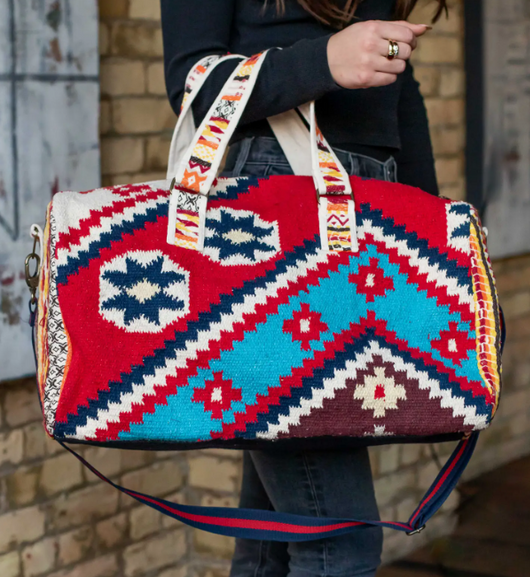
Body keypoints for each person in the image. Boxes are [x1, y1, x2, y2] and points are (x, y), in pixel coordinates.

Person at [160, 1, 446, 575]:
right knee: (339, 543)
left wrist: (434, 233)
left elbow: (396, 89)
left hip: (367, 216)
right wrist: (325, 61)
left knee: (273, 539)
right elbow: (194, 82)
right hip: (274, 217)